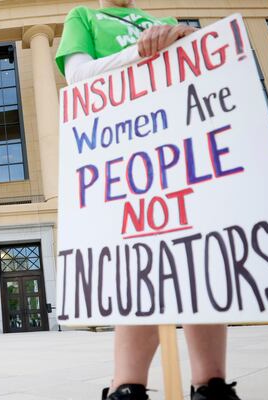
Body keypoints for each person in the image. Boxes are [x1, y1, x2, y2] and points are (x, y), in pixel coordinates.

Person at [55, 2, 241, 400]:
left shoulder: (165, 23)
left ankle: (211, 385)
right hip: (125, 142)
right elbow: (78, 76)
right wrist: (138, 51)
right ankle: (127, 386)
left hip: (180, 140)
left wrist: (195, 42)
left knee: (198, 254)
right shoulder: (83, 16)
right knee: (141, 258)